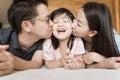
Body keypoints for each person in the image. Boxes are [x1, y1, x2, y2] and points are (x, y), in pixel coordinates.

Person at [0, 0, 52, 76]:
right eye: (47, 19)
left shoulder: (45, 40)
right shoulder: (2, 36)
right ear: (27, 26)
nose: (52, 23)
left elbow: (36, 64)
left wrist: (14, 62)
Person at [68, 2, 120, 69]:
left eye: (79, 24)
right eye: (75, 18)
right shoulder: (71, 36)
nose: (72, 25)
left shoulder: (113, 38)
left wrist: (101, 59)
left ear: (92, 33)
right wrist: (103, 63)